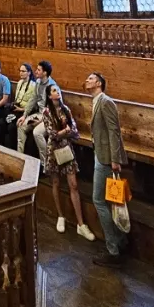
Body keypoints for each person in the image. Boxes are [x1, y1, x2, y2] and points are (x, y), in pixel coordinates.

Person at [85, 71, 128, 267]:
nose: (87, 81)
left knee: (99, 200)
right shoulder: (95, 102)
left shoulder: (106, 101)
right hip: (100, 154)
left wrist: (115, 159)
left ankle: (113, 250)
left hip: (105, 158)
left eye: (91, 78)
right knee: (107, 200)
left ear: (100, 83)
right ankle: (119, 241)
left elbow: (114, 130)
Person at [43, 85, 95, 242]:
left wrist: (67, 132)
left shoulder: (66, 109)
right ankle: (60, 215)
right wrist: (64, 132)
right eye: (53, 91)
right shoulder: (46, 112)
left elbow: (75, 131)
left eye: (57, 90)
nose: (57, 92)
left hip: (67, 148)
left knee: (73, 184)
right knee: (56, 182)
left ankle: (81, 224)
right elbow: (52, 134)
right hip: (54, 150)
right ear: (49, 95)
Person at [16, 60, 57, 164]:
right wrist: (24, 115)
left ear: (45, 73)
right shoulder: (38, 82)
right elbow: (33, 99)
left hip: (50, 117)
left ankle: (45, 164)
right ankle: (20, 158)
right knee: (20, 125)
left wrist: (40, 121)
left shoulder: (52, 87)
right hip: (39, 114)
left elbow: (54, 109)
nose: (36, 71)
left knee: (37, 132)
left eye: (39, 70)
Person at [0, 63, 36, 148]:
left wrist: (21, 109)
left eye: (23, 71)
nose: (21, 73)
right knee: (0, 124)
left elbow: (33, 105)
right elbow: (16, 99)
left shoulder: (34, 86)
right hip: (15, 108)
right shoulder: (19, 82)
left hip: (24, 112)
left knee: (12, 128)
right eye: (20, 71)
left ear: (29, 73)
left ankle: (13, 151)